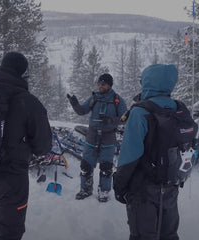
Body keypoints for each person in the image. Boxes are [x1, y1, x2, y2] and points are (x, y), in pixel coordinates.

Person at [0, 52, 52, 240]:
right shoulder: (27, 101)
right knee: (10, 232)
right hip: (11, 179)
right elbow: (43, 146)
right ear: (23, 74)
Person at [113, 64, 181, 240]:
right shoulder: (177, 109)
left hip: (143, 189)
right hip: (170, 186)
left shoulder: (140, 112)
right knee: (169, 235)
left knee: (143, 235)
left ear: (148, 82)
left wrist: (119, 185)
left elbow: (130, 155)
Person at [67, 73, 127, 202]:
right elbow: (82, 111)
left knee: (106, 167)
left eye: (103, 84)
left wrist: (111, 120)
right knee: (86, 165)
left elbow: (124, 119)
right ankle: (86, 190)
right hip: (92, 136)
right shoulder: (94, 98)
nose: (100, 86)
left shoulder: (117, 100)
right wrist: (75, 104)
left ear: (109, 85)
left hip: (108, 137)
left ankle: (104, 192)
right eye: (99, 83)